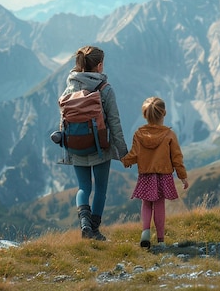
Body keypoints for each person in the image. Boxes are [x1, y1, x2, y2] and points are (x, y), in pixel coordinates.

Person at [60, 45, 128, 240]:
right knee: (100, 189)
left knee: (83, 188)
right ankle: (95, 230)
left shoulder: (70, 87)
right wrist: (122, 152)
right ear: (99, 66)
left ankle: (84, 224)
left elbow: (64, 120)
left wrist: (67, 150)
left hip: (76, 147)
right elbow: (114, 122)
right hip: (101, 148)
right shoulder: (105, 89)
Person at [121, 96, 189, 248]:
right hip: (163, 175)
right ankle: (160, 240)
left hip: (145, 175)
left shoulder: (139, 134)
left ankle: (145, 231)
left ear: (145, 115)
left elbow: (134, 155)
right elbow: (177, 158)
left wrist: (125, 160)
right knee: (159, 205)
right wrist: (182, 176)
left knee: (146, 204)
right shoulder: (169, 135)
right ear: (164, 113)